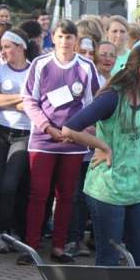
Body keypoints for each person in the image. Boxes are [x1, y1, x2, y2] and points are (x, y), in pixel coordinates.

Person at [62, 45, 140, 267]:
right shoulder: (111, 97)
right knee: (109, 258)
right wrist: (102, 146)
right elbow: (70, 129)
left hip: (138, 189)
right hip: (108, 189)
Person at [19, 19, 101, 265]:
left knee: (66, 196)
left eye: (70, 37)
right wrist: (47, 127)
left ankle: (58, 246)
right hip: (43, 140)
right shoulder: (40, 64)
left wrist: (75, 131)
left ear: (76, 40)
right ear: (53, 38)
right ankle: (31, 246)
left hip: (73, 142)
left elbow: (92, 104)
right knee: (38, 194)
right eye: (61, 36)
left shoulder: (86, 67)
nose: (65, 41)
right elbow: (29, 100)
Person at [0, 29, 35, 254]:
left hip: (24, 133)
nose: (4, 51)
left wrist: (16, 101)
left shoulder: (34, 69)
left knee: (10, 184)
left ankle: (5, 230)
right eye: (2, 47)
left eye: (8, 46)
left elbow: (36, 103)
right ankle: (0, 232)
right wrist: (23, 98)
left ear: (21, 46)